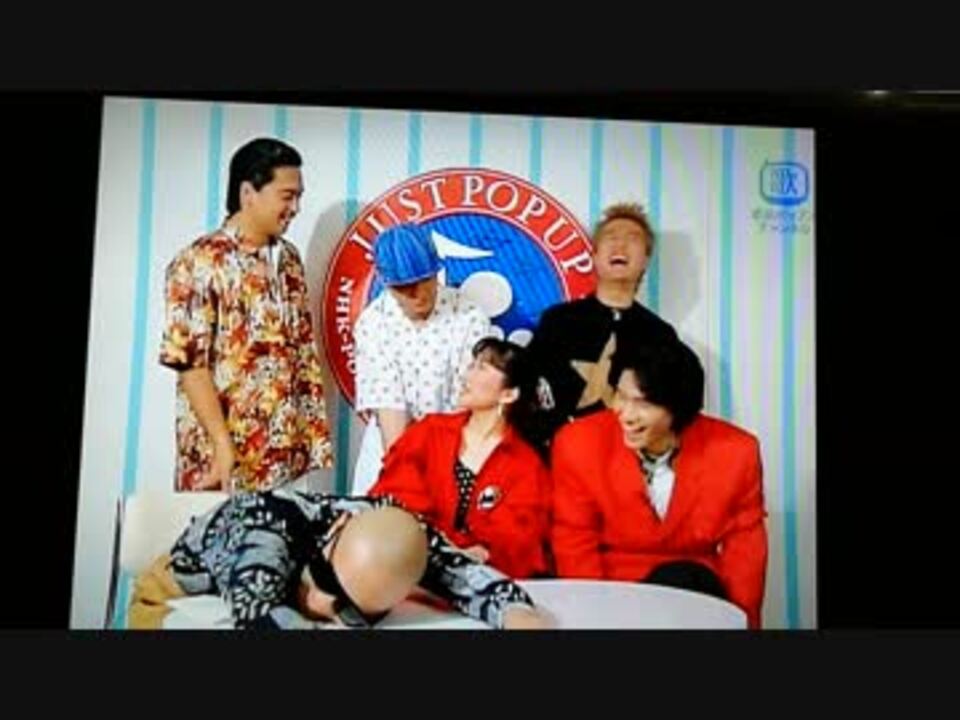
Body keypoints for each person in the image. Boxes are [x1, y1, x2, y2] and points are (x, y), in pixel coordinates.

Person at [550, 337, 768, 628]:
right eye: (621, 396)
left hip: (696, 596)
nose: (626, 415)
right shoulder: (578, 442)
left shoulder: (736, 452)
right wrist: (595, 618)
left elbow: (745, 553)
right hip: (614, 595)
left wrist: (741, 624)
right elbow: (574, 541)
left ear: (679, 408)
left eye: (643, 403)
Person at [159, 137, 332, 492]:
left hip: (286, 463)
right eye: (287, 196)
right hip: (224, 461)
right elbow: (189, 365)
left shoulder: (289, 259)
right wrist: (222, 445)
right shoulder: (197, 262)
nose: (296, 208)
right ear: (248, 193)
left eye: (299, 197)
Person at [128, 488, 549, 630]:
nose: (328, 603)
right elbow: (258, 618)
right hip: (182, 592)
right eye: (327, 579)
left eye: (351, 607)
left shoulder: (393, 521)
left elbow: (462, 574)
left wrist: (518, 614)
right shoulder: (261, 531)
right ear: (336, 530)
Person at [369, 338, 551, 579]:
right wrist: (439, 545)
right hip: (410, 567)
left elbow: (518, 539)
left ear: (508, 394)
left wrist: (481, 553)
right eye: (471, 366)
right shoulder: (430, 431)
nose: (466, 376)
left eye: (481, 368)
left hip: (482, 579)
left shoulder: (526, 465)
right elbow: (395, 493)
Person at [525, 202, 677, 453]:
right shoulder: (558, 321)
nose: (620, 246)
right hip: (560, 460)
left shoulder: (660, 334)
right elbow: (527, 392)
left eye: (632, 239)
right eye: (611, 237)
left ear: (646, 260)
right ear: (594, 256)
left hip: (629, 463)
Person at [351, 222, 490, 495]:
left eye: (424, 281)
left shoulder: (469, 316)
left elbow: (468, 403)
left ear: (437, 272)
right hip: (391, 449)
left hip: (456, 447)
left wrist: (443, 472)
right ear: (385, 283)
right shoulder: (373, 323)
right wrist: (403, 481)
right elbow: (390, 410)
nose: (418, 294)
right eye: (404, 287)